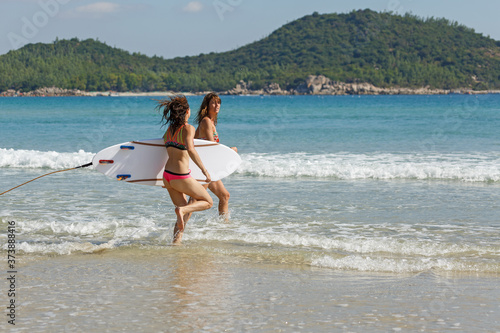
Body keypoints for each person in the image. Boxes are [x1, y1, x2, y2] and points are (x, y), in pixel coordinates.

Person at [157, 95, 213, 244]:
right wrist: (205, 171)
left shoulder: (168, 131)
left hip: (167, 177)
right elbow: (191, 149)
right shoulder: (188, 128)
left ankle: (176, 242)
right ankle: (182, 212)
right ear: (187, 111)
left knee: (183, 211)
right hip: (180, 176)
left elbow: (160, 153)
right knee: (208, 202)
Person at [193, 92, 237, 220]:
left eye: (218, 102)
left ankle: (223, 227)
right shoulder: (206, 121)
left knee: (224, 196)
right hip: (205, 168)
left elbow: (197, 143)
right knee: (195, 200)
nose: (217, 105)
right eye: (213, 102)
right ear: (206, 105)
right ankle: (180, 226)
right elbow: (212, 146)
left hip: (209, 167)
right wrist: (230, 152)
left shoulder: (211, 122)